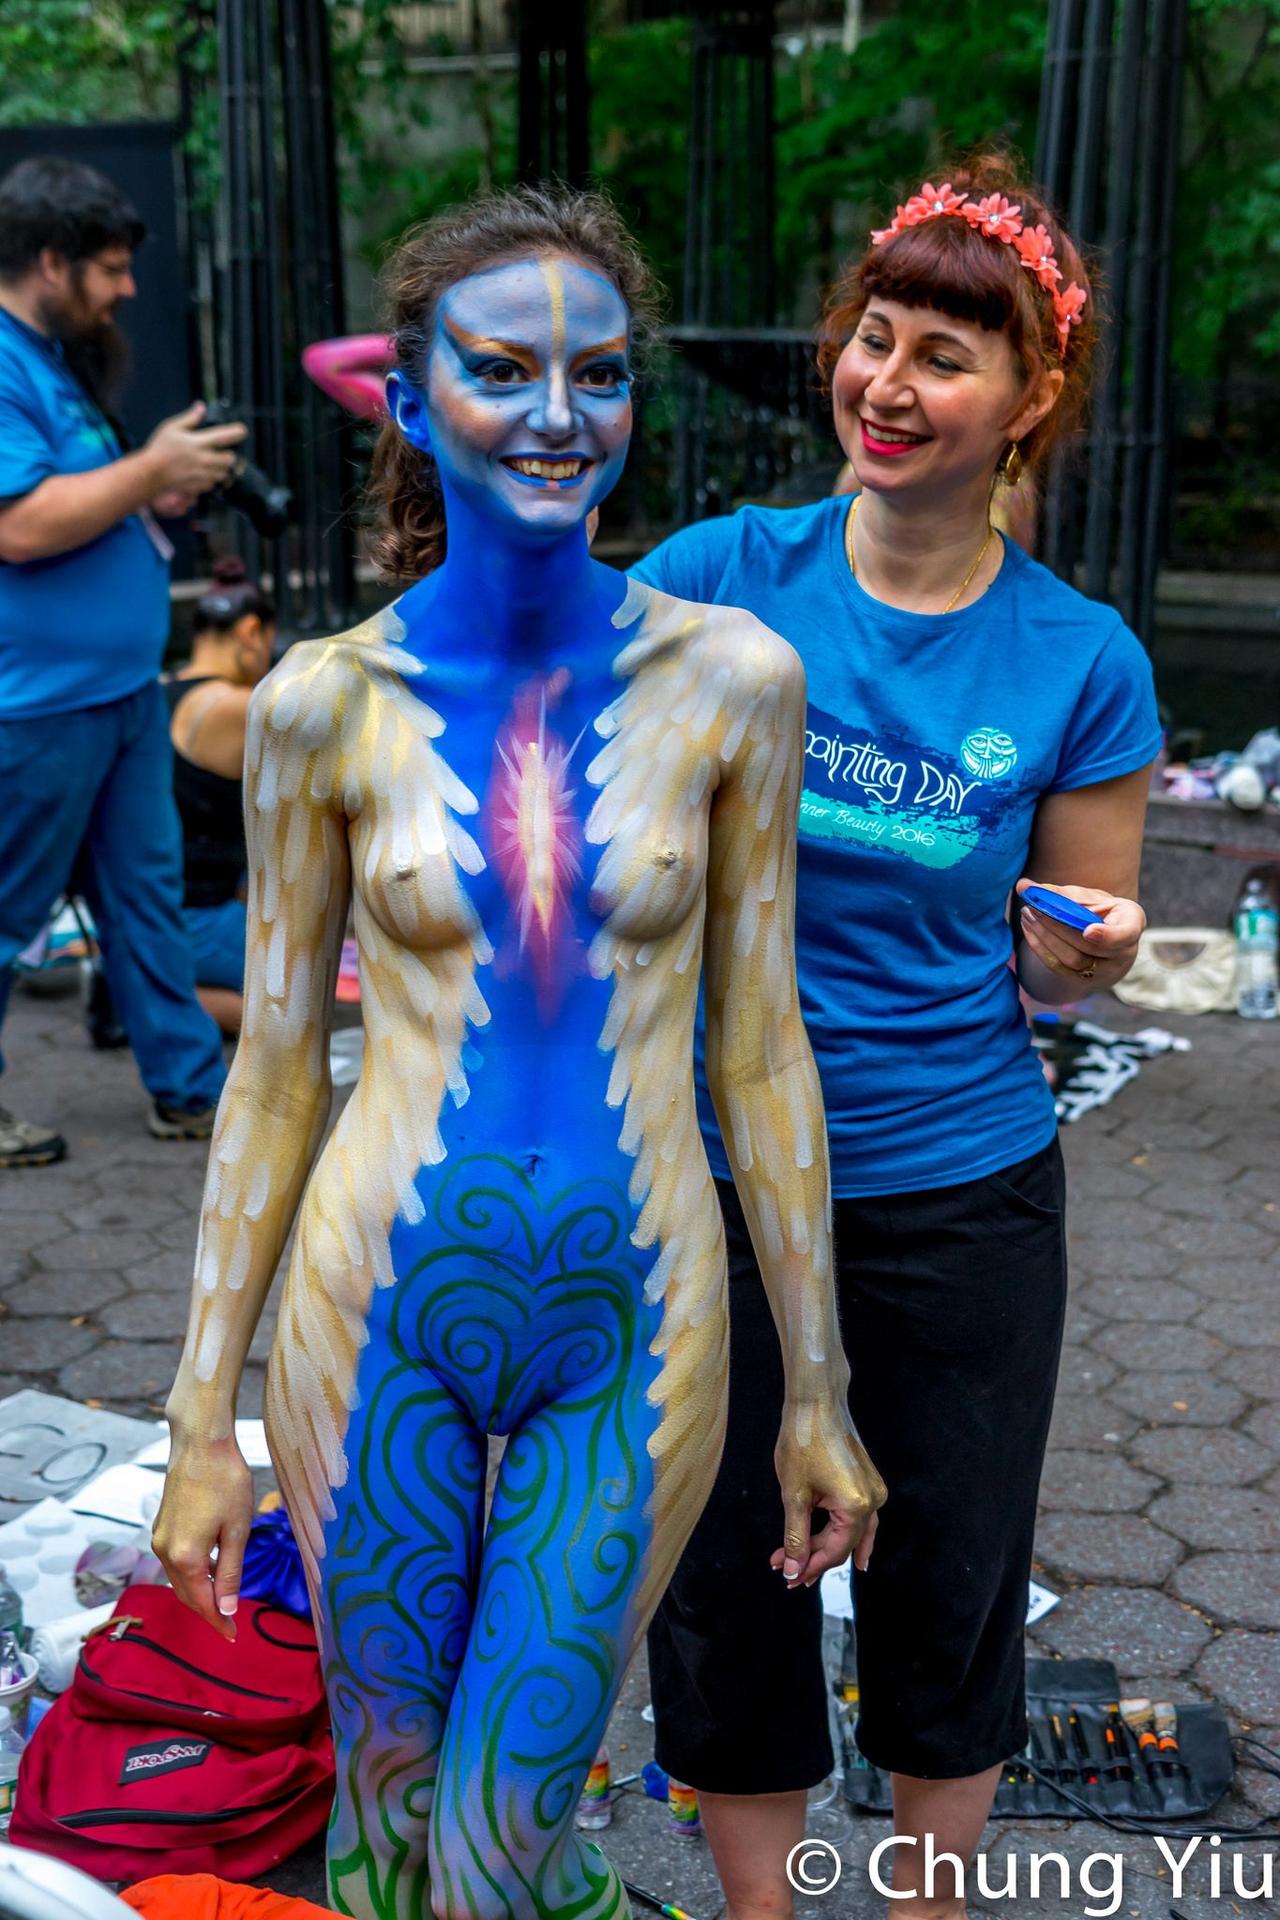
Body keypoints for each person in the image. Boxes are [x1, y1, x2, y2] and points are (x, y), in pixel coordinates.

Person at [152, 186, 884, 1920]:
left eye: (601, 373)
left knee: (498, 1847)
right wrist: (197, 1416)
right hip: (373, 1315)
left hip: (635, 1322)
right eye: (502, 370)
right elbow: (277, 1069)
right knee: (381, 1822)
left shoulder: (736, 682)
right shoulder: (320, 703)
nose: (561, 415)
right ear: (411, 403)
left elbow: (761, 1050)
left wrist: (819, 1388)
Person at [633, 153, 1160, 1920]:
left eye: (946, 355)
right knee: (726, 1577)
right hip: (711, 1176)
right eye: (875, 338)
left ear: (1030, 400)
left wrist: (1084, 957)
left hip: (957, 1182)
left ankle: (930, 1904)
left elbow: (1071, 955)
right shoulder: (719, 577)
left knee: (950, 1577)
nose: (890, 382)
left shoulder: (1080, 657)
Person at [0, 155, 247, 1166]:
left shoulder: (49, 358)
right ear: (51, 262)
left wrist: (152, 487)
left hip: (119, 695)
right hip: (38, 704)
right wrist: (148, 469)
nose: (127, 287)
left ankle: (188, 1090)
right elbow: (19, 526)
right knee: (7, 910)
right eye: (109, 268)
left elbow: (78, 499)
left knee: (147, 897)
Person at [165, 558, 276, 1036]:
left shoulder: (160, 690)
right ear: (250, 633)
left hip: (159, 908)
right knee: (296, 1004)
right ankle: (142, 994)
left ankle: (144, 983)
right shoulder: (237, 706)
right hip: (200, 918)